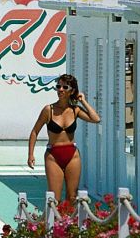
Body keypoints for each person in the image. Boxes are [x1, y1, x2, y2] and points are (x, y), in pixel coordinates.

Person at [27, 74, 101, 202]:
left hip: (72, 154)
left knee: (72, 197)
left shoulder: (75, 110)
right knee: (54, 198)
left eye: (64, 87)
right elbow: (34, 132)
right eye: (58, 86)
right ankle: (54, 222)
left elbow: (96, 119)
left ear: (71, 91)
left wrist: (83, 101)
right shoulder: (48, 110)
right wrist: (31, 155)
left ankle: (69, 222)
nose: (60, 89)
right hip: (53, 155)